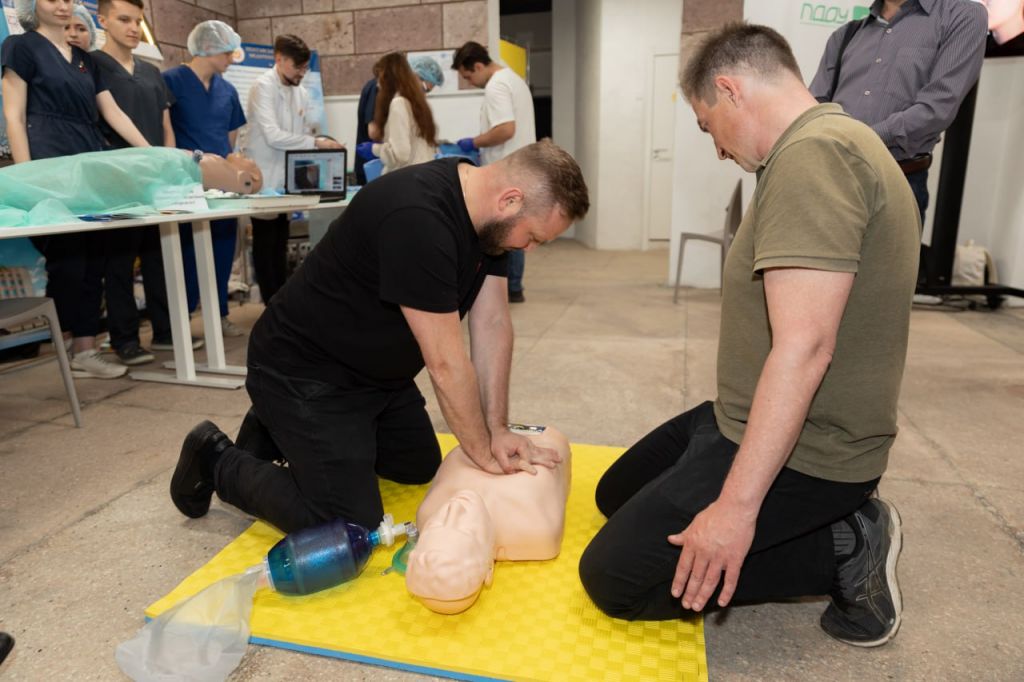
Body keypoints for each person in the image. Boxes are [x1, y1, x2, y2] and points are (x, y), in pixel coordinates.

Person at [579, 23, 921, 648]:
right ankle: (759, 506)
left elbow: (805, 348)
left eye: (707, 126)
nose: (716, 149)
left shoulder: (814, 158)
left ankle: (845, 543)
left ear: (730, 90)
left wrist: (735, 509)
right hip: (737, 416)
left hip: (813, 449)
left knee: (614, 578)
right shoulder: (830, 142)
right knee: (614, 495)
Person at [168, 139, 589, 537]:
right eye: (533, 237)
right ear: (510, 200)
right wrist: (482, 453)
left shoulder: (488, 223)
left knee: (417, 466)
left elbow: (493, 323)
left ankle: (273, 427)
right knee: (348, 524)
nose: (529, 249)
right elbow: (446, 364)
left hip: (376, 377)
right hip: (304, 370)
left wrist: (496, 429)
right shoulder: (420, 218)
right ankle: (215, 458)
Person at [2, 0, 150, 379]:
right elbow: (14, 115)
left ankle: (84, 348)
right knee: (68, 261)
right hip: (49, 160)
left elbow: (112, 111)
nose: (63, 5)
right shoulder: (21, 47)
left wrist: (151, 151)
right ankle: (70, 342)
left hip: (86, 162)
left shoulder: (85, 59)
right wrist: (27, 174)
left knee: (94, 257)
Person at [808, 0, 988, 225]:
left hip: (895, 185)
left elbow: (936, 109)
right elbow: (815, 106)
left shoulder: (962, 16)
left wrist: (857, 141)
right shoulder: (846, 34)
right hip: (828, 177)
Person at [92, 0, 182, 366]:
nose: (133, 28)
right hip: (117, 176)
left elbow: (165, 125)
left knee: (159, 255)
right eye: (124, 19)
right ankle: (124, 339)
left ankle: (165, 330)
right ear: (103, 20)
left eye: (138, 21)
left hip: (155, 176)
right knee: (120, 260)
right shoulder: (93, 66)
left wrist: (168, 164)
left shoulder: (151, 72)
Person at [406, 424, 571, 614]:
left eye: (438, 524)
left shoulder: (429, 510)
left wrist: (494, 432)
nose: (455, 509)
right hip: (546, 440)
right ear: (489, 569)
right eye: (465, 530)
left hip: (482, 435)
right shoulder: (536, 527)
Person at [238, 34, 344, 305]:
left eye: (305, 67)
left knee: (280, 239)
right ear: (279, 59)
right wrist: (315, 143)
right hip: (263, 173)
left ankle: (281, 300)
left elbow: (303, 133)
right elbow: (273, 135)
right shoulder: (263, 87)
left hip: (286, 176)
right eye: (298, 67)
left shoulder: (301, 92)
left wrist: (322, 142)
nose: (302, 73)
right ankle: (271, 303)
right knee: (265, 240)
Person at [163, 20, 247, 337]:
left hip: (221, 184)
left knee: (223, 248)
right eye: (227, 52)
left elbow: (230, 136)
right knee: (185, 251)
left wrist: (226, 171)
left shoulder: (227, 90)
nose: (232, 59)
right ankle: (181, 319)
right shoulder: (171, 81)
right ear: (208, 48)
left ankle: (219, 313)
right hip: (185, 181)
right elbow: (164, 131)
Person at [452, 41, 536, 304]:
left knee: (506, 229)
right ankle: (514, 286)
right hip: (521, 165)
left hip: (507, 169)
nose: (470, 82)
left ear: (478, 66)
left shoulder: (496, 86)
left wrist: (474, 142)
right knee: (517, 225)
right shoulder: (513, 79)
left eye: (468, 76)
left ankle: (508, 287)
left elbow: (505, 129)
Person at [355, 53, 438, 175]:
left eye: (380, 78)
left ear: (389, 79)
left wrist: (374, 149)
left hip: (408, 177)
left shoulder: (398, 103)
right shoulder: (416, 103)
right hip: (423, 175)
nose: (378, 84)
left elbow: (401, 154)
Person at [353, 63, 380, 186]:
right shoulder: (377, 87)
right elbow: (373, 131)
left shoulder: (374, 86)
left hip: (373, 162)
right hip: (372, 164)